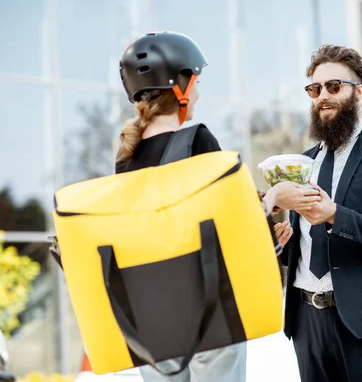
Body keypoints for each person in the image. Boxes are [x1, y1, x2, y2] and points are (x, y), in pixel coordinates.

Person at [115, 31, 319, 382]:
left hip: (150, 318)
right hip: (206, 310)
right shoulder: (196, 140)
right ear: (180, 84)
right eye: (195, 81)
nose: (198, 92)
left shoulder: (124, 160)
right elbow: (231, 223)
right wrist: (274, 198)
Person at [278, 44, 362, 382]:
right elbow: (302, 248)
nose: (323, 95)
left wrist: (334, 213)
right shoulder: (300, 164)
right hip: (306, 324)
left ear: (359, 91)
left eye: (334, 86)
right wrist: (279, 243)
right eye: (315, 88)